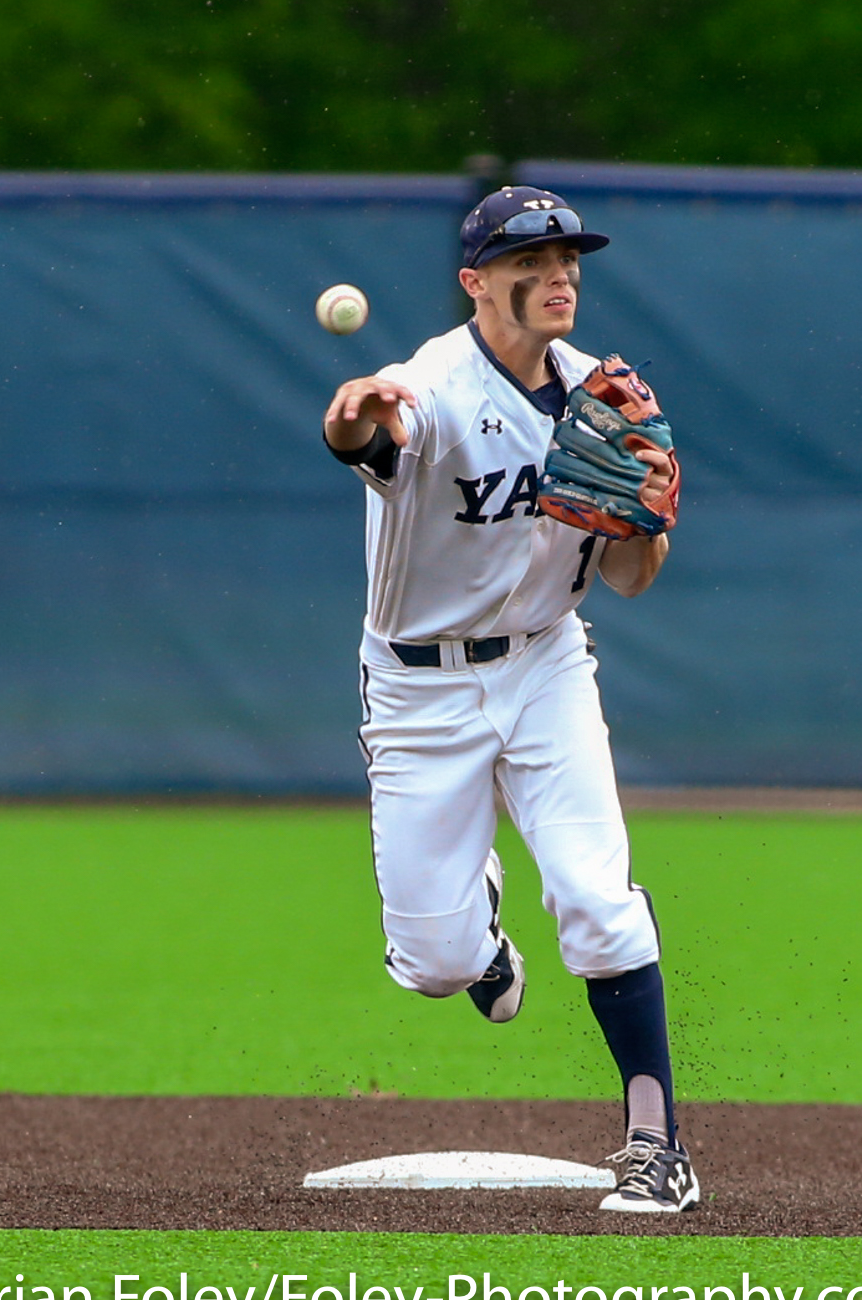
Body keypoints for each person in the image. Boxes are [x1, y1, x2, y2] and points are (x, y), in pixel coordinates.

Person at [319, 186, 697, 1213]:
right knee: (435, 966)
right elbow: (372, 433)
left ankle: (657, 1143)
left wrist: (641, 517)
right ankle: (477, 935)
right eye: (530, 258)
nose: (558, 273)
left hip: (544, 668)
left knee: (595, 900)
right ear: (476, 283)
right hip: (416, 687)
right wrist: (351, 422)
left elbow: (626, 581)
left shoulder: (598, 394)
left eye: (569, 256)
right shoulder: (433, 384)